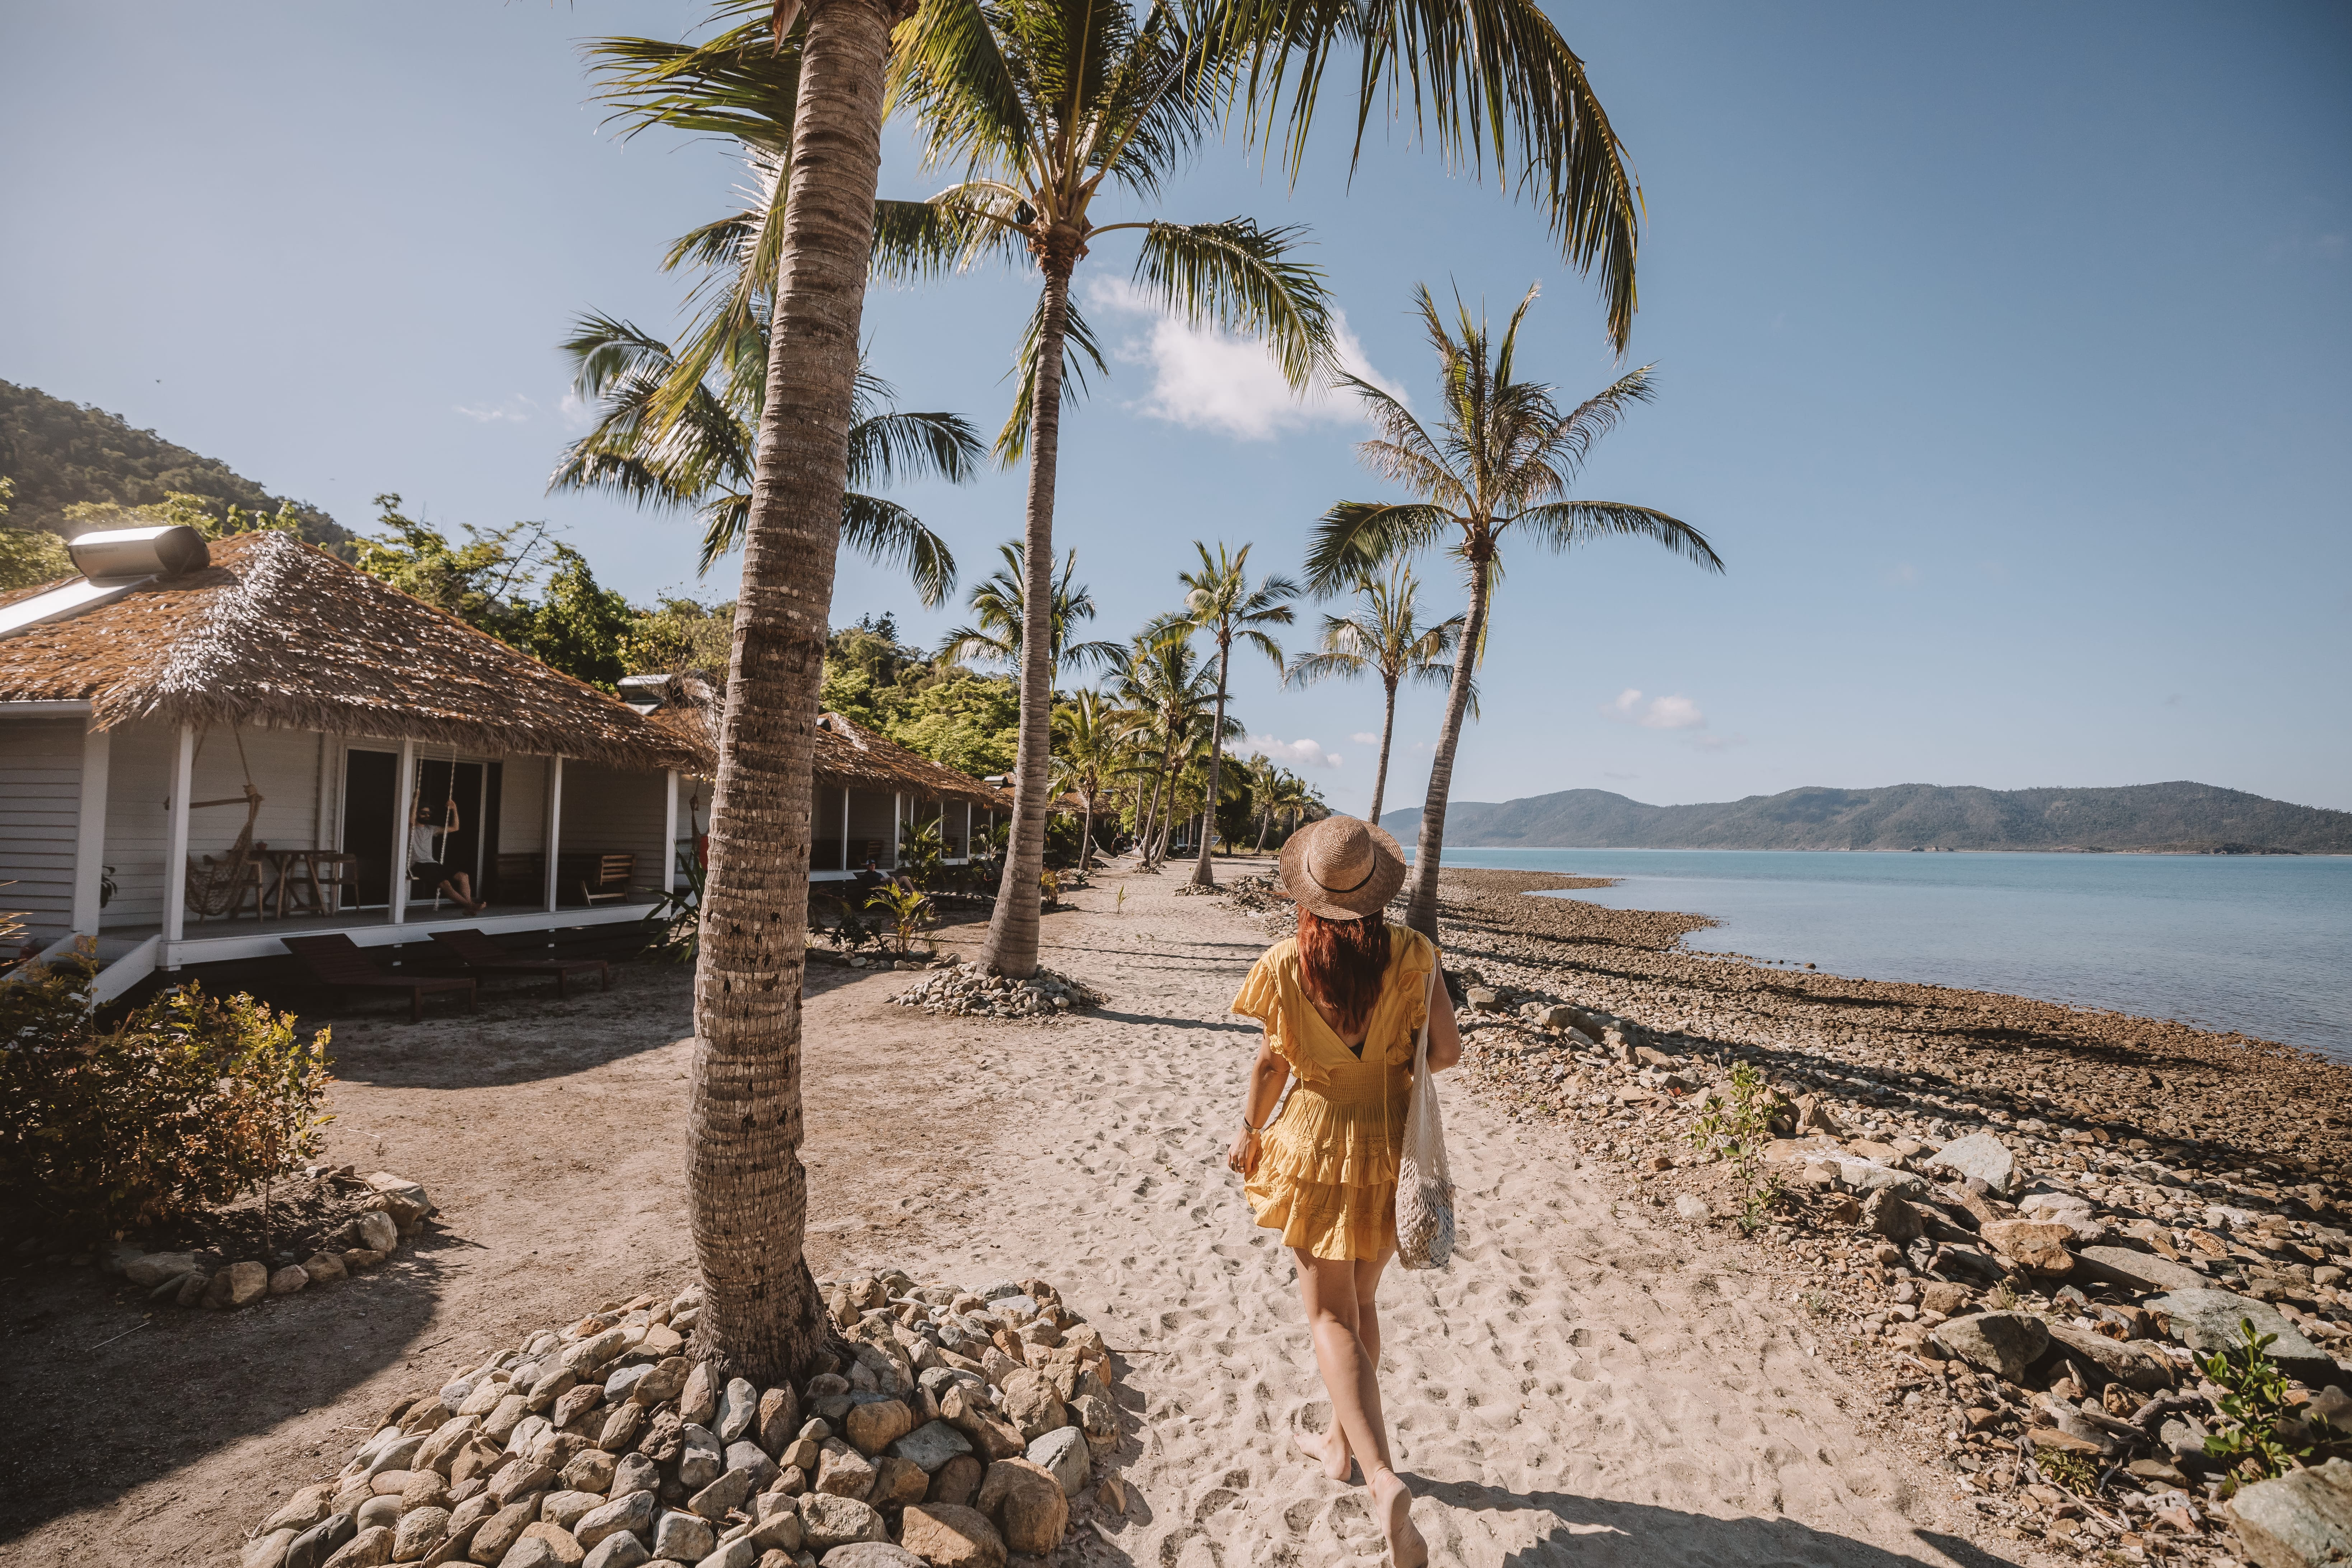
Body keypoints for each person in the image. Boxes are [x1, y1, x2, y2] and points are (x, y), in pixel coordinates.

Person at [1226, 815, 1460, 1568]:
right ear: (1375, 892)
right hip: (1390, 1144)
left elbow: (1272, 1065)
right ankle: (1338, 1444)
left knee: (1329, 1313)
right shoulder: (1415, 953)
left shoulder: (1284, 962)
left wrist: (1248, 1130)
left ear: (1309, 894)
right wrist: (1389, 1069)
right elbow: (1446, 1050)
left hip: (1317, 1141)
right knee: (1360, 1302)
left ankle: (1382, 1476)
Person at [408, 802, 484, 915]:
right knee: (445, 883)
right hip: (418, 865)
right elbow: (411, 818)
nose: (427, 815)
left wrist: (454, 809)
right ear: (417, 814)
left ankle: (469, 906)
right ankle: (471, 905)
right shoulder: (411, 828)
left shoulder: (431, 829)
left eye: (429, 813)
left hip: (432, 863)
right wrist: (415, 800)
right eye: (424, 813)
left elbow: (455, 828)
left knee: (463, 876)